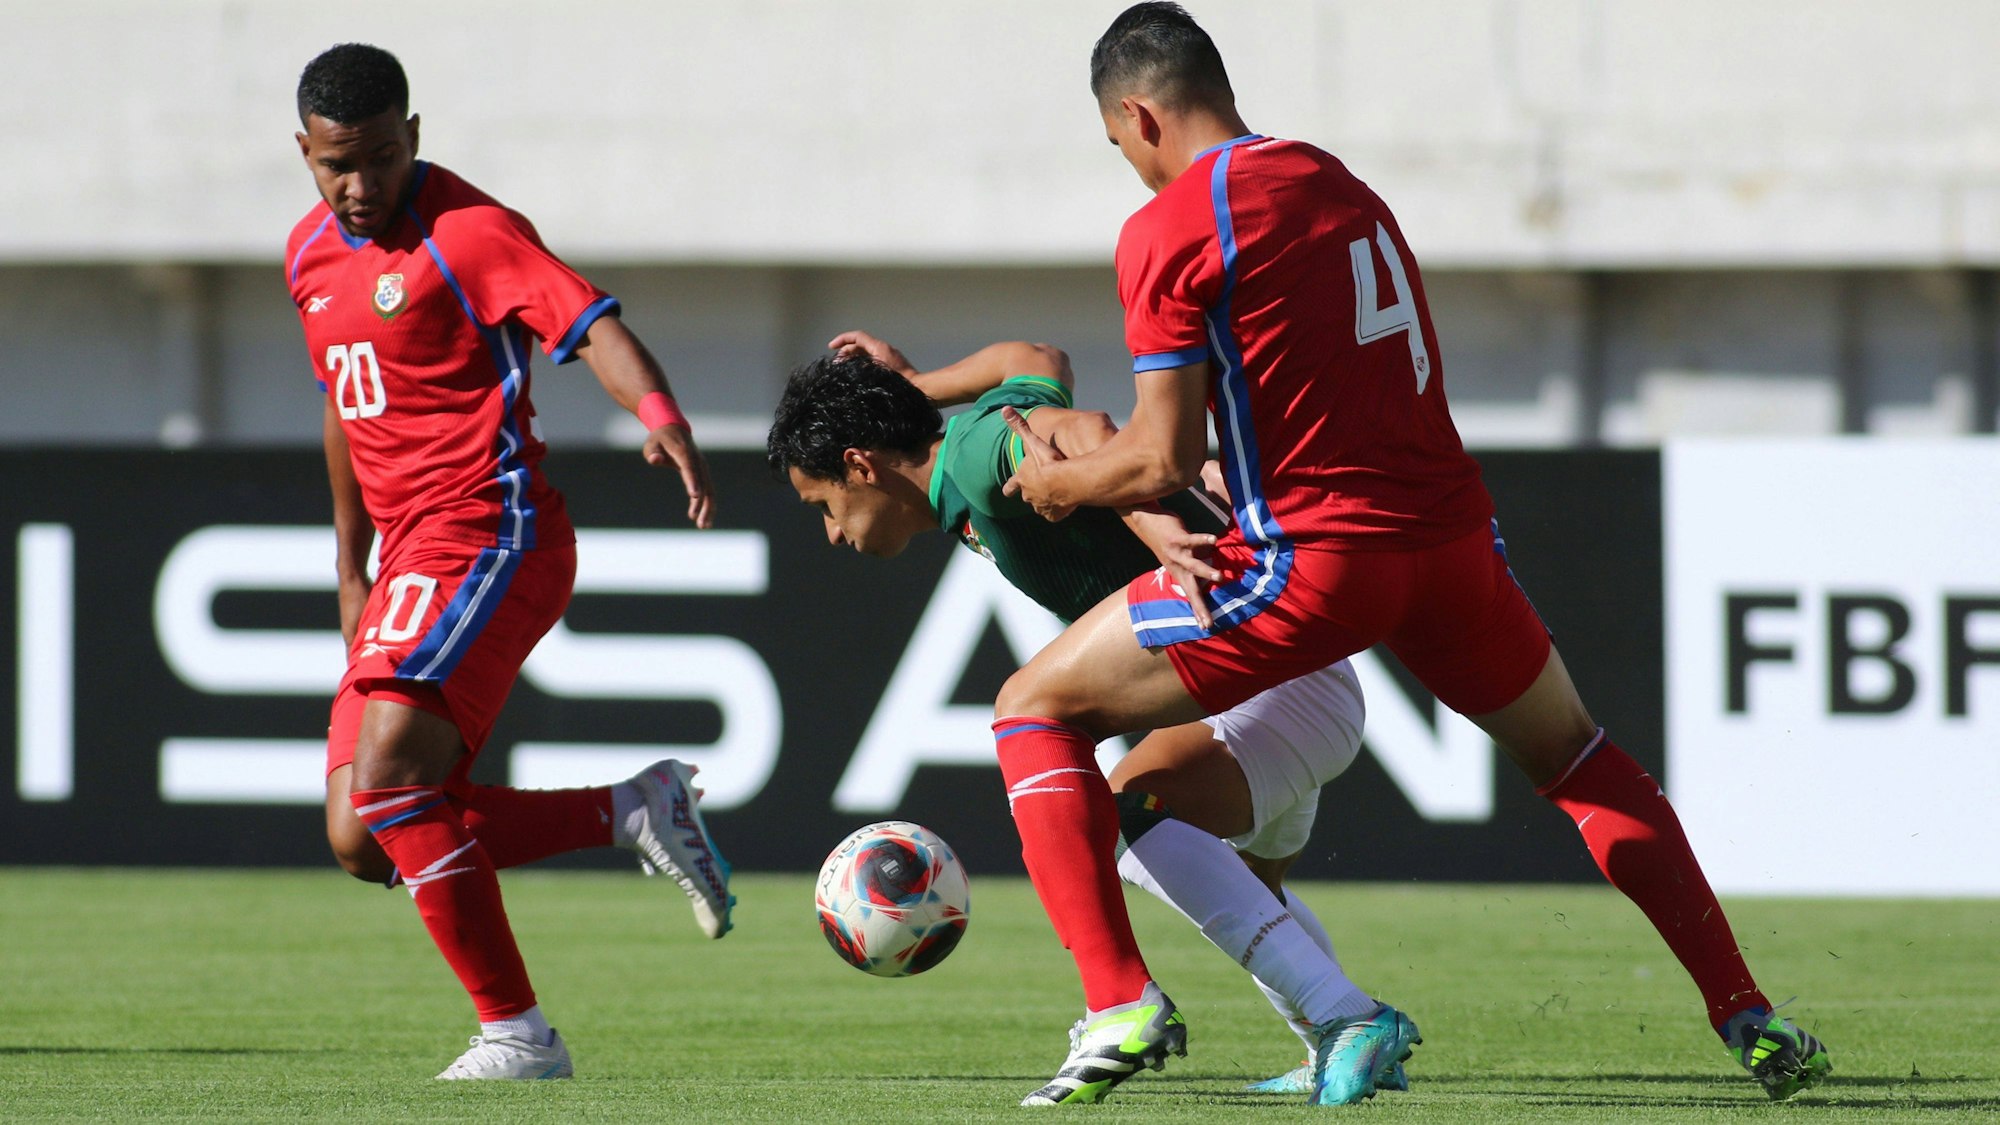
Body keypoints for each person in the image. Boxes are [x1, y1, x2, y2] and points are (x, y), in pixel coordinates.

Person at [986, 1, 1835, 1106]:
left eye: (1118, 150)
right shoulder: (1331, 178)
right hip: (1450, 544)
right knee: (1578, 761)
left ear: (1137, 117)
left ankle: (1117, 1003)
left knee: (1030, 711)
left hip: (1315, 560)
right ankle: (1746, 1013)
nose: (1129, 176)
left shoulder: (1170, 225)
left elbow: (1154, 460)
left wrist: (1054, 483)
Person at [766, 332, 1410, 1104]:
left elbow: (1094, 432)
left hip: (1264, 669)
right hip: (1283, 670)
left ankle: (1160, 1006)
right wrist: (912, 382)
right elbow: (1038, 358)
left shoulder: (973, 453)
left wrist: (1152, 521)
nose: (833, 531)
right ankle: (1339, 1031)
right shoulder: (990, 423)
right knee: (1232, 874)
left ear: (860, 465)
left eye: (824, 505)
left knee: (1073, 761)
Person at [286, 43, 733, 1081]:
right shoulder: (307, 256)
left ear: (416, 137)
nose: (360, 186)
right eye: (336, 164)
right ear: (304, 150)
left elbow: (591, 323)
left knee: (392, 786)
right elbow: (342, 411)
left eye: (383, 158)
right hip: (405, 557)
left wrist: (658, 412)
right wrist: (350, 571)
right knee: (362, 836)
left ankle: (519, 1037)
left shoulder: (471, 233)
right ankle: (630, 810)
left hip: (493, 530)